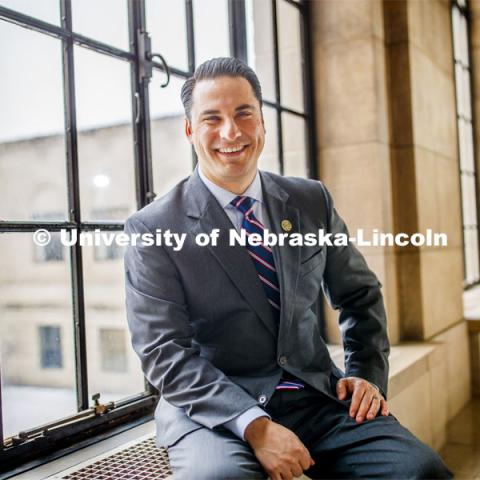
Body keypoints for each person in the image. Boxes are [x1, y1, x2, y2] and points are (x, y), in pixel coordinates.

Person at [124, 57, 452, 479]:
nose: (231, 132)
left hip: (316, 396)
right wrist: (255, 426)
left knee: (421, 471)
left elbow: (359, 295)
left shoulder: (312, 201)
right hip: (213, 410)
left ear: (262, 122)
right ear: (190, 131)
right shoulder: (153, 228)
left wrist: (364, 373)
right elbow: (164, 351)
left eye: (244, 113)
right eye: (212, 119)